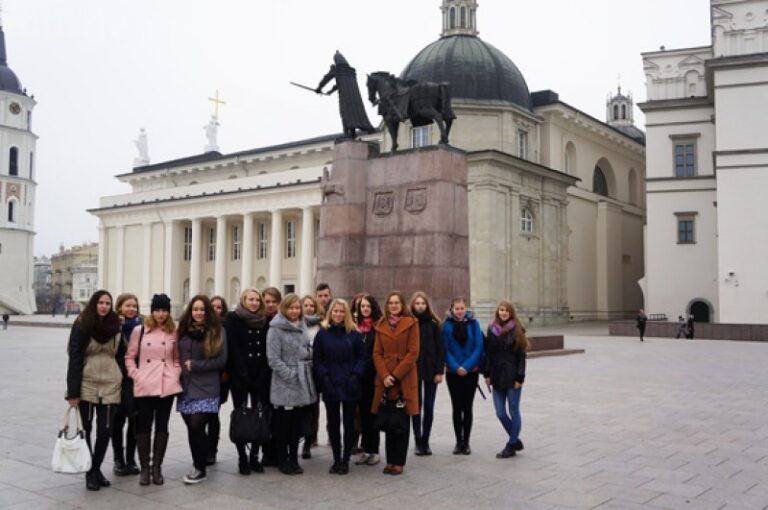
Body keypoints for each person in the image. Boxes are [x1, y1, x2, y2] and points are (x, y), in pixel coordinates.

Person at [66, 290, 122, 491]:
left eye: (108, 303)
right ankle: (90, 472)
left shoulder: (116, 325)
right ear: (94, 304)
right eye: (101, 302)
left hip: (110, 382)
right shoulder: (82, 324)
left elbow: (121, 357)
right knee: (87, 430)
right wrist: (72, 393)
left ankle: (96, 467)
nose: (104, 306)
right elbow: (74, 358)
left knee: (105, 430)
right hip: (87, 382)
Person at [125, 293, 181, 485]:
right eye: (157, 310)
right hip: (145, 384)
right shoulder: (139, 331)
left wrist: (175, 373)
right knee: (143, 426)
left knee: (162, 426)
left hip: (166, 384)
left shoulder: (174, 331)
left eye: (164, 310)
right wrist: (136, 375)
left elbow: (177, 358)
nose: (160, 314)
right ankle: (144, 468)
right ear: (152, 311)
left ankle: (157, 467)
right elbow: (129, 357)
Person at [177, 295, 227, 484]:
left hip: (207, 386)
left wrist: (196, 365)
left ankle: (200, 468)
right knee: (192, 427)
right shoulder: (183, 330)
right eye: (195, 309)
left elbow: (221, 360)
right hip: (186, 386)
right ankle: (199, 459)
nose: (199, 313)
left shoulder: (217, 331)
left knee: (197, 424)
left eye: (202, 310)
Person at [266, 294, 317, 475]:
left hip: (302, 381)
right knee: (283, 426)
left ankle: (294, 459)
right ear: (284, 309)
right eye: (291, 308)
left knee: (296, 425)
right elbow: (273, 359)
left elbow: (306, 346)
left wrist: (308, 355)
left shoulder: (302, 324)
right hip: (284, 383)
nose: (295, 311)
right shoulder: (275, 329)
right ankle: (282, 459)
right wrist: (291, 375)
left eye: (297, 308)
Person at [314, 299, 366, 474]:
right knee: (333, 423)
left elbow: (362, 358)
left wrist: (355, 375)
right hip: (331, 383)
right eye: (335, 311)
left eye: (341, 311)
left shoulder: (355, 334)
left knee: (349, 423)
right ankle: (336, 458)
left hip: (350, 383)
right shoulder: (322, 334)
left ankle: (345, 458)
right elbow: (318, 359)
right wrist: (325, 377)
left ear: (346, 314)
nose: (338, 314)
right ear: (330, 313)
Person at [372, 291, 419, 476]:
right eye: (390, 302)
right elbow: (376, 353)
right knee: (389, 419)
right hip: (385, 379)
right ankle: (390, 460)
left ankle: (398, 462)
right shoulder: (381, 325)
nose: (393, 305)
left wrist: (396, 375)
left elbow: (413, 353)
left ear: (402, 305)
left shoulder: (411, 323)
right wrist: (385, 375)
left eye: (397, 303)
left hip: (404, 377)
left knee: (402, 420)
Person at [224, 289, 271, 475]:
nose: (254, 303)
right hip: (240, 377)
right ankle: (242, 456)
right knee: (241, 417)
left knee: (260, 417)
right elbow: (233, 347)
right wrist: (243, 373)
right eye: (250, 299)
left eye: (257, 300)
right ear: (243, 301)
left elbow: (268, 348)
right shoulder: (234, 319)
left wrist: (262, 374)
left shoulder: (265, 320)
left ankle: (255, 456)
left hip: (260, 376)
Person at [484, 301, 528, 459]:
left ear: (511, 313)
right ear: (498, 312)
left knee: (514, 410)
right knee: (500, 413)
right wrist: (487, 374)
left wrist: (520, 377)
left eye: (506, 311)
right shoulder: (492, 329)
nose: (503, 313)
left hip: (512, 376)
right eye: (501, 310)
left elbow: (522, 356)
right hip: (496, 376)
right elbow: (488, 354)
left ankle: (511, 445)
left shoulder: (517, 329)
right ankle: (515, 439)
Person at [443, 297, 484, 455]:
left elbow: (478, 347)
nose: (460, 311)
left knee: (467, 407)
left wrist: (466, 367)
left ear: (466, 309)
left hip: (470, 372)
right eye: (457, 308)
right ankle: (458, 441)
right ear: (452, 309)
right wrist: (455, 367)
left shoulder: (474, 324)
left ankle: (466, 442)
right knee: (456, 407)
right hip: (453, 373)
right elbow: (445, 349)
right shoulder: (446, 325)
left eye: (462, 308)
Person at [408, 291, 444, 456]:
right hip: (414, 370)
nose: (420, 306)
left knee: (429, 406)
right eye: (417, 303)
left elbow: (440, 349)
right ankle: (417, 439)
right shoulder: (409, 323)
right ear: (413, 305)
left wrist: (439, 371)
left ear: (427, 305)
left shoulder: (434, 324)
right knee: (416, 406)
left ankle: (426, 440)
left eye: (423, 303)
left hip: (431, 370)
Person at [112, 293, 141, 477]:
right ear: (120, 307)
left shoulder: (142, 327)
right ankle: (118, 459)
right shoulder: (114, 326)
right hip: (118, 379)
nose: (131, 309)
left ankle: (131, 458)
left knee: (135, 420)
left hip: (137, 379)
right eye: (127, 305)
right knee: (117, 421)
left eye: (134, 306)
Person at [315, 51, 376, 139]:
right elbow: (340, 83)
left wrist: (319, 88)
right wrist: (330, 91)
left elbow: (327, 78)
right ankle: (352, 134)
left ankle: (347, 134)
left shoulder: (337, 69)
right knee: (353, 113)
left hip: (344, 96)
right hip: (355, 97)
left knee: (345, 113)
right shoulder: (350, 72)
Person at [353, 294, 383, 466]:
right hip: (359, 379)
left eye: (368, 306)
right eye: (362, 306)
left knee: (373, 415)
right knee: (363, 416)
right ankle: (365, 449)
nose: (365, 309)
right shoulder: (356, 328)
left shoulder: (378, 327)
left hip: (373, 377)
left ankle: (375, 450)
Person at [207, 296, 229, 465]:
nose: (216, 309)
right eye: (212, 306)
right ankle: (203, 447)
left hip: (220, 378)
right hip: (201, 378)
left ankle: (212, 450)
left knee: (213, 415)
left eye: (219, 307)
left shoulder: (225, 327)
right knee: (200, 417)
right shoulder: (200, 326)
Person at [301, 295, 324, 459]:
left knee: (313, 408)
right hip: (301, 369)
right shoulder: (297, 324)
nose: (309, 308)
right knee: (300, 408)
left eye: (311, 305)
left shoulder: (321, 326)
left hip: (316, 370)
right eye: (305, 305)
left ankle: (309, 442)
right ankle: (299, 438)